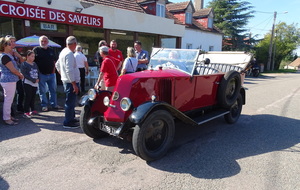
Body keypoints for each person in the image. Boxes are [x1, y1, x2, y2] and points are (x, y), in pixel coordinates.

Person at [55, 36, 80, 129]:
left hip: (67, 80)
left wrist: (62, 74)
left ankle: (71, 118)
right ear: (74, 44)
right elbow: (69, 69)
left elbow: (57, 65)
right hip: (70, 82)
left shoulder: (63, 51)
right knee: (70, 102)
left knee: (71, 101)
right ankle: (68, 121)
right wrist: (73, 83)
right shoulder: (69, 53)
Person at [33, 35, 61, 112]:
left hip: (51, 74)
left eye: (45, 41)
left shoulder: (51, 50)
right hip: (41, 74)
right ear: (39, 42)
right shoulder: (36, 50)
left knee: (53, 90)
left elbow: (54, 61)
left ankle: (54, 104)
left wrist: (54, 71)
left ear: (48, 42)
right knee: (42, 91)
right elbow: (33, 62)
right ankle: (44, 105)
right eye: (42, 41)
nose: (43, 42)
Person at [0, 37, 24, 125]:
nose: (11, 45)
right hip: (8, 80)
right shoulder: (4, 56)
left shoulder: (7, 55)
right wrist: (20, 75)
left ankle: (9, 116)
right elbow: (12, 69)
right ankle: (7, 118)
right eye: (9, 44)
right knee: (8, 100)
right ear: (4, 45)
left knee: (9, 99)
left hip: (10, 80)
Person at [6, 35, 25, 114]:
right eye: (11, 42)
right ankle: (10, 111)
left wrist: (19, 56)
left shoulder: (15, 51)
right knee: (10, 95)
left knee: (21, 92)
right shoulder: (5, 53)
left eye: (14, 41)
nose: (13, 43)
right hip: (8, 76)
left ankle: (19, 107)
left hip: (17, 74)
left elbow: (22, 63)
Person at [20, 50, 39, 118]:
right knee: (28, 96)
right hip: (27, 82)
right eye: (32, 56)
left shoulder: (34, 64)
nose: (33, 58)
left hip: (35, 82)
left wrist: (38, 78)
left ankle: (32, 109)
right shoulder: (24, 64)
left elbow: (37, 71)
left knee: (33, 96)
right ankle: (26, 111)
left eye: (34, 56)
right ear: (27, 56)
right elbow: (24, 74)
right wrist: (33, 80)